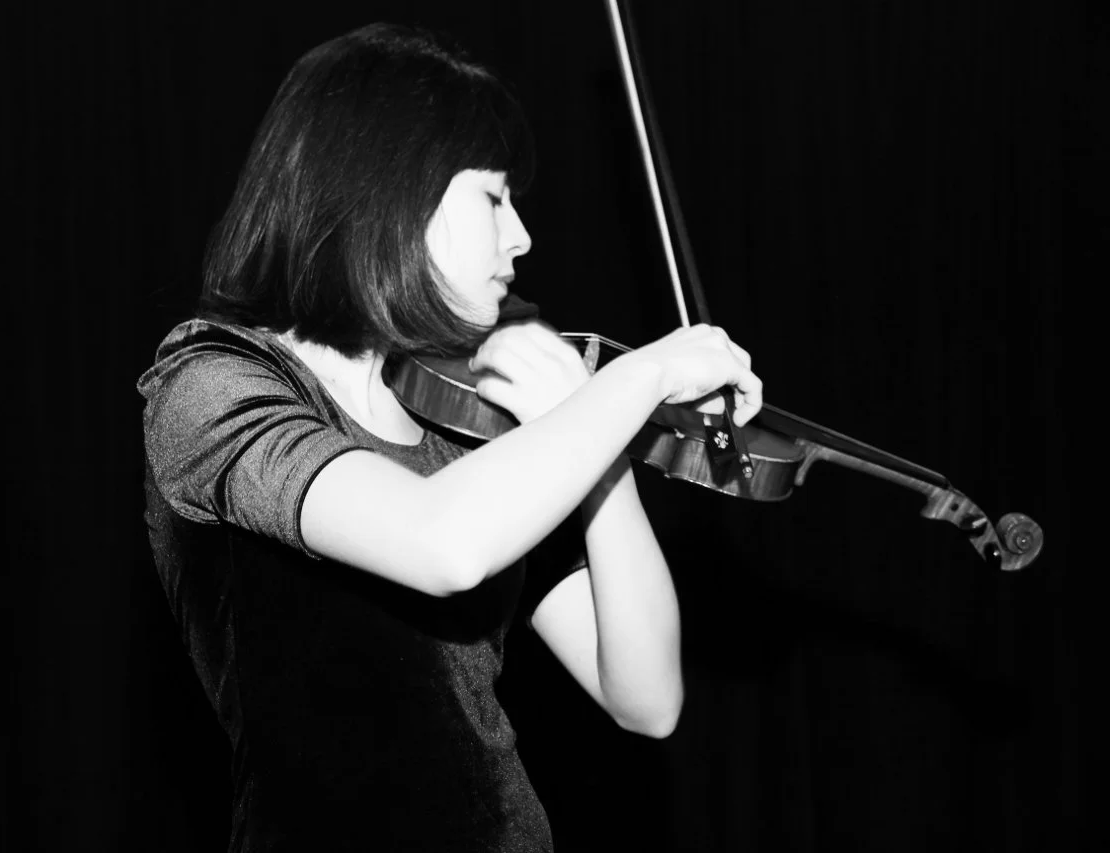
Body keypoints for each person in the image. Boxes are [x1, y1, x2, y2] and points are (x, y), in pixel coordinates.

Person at [138, 22, 761, 853]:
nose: (522, 237)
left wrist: (601, 455)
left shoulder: (463, 422)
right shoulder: (210, 387)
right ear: (389, 187)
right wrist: (635, 380)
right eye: (494, 197)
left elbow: (646, 697)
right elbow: (441, 542)